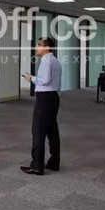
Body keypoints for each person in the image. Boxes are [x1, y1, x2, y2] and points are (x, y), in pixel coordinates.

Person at [21, 37, 61, 175]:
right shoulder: (55, 60)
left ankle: (37, 166)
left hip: (44, 99)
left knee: (38, 131)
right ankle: (54, 162)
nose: (36, 47)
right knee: (52, 131)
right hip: (53, 98)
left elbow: (45, 80)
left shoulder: (46, 61)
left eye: (39, 45)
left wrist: (31, 78)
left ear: (47, 48)